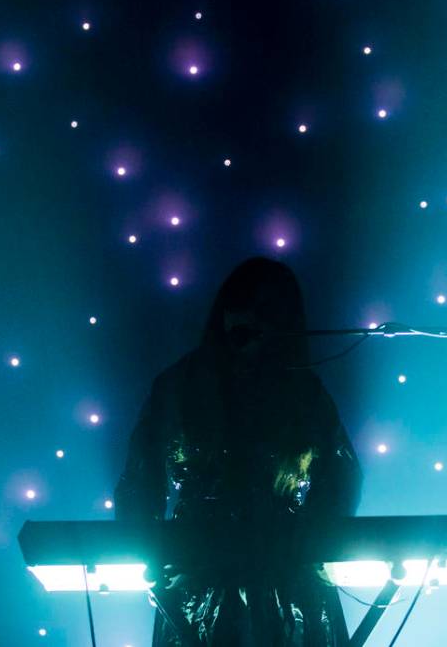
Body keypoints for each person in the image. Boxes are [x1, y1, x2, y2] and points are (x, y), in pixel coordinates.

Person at [114, 256, 363, 646]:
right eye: (243, 305)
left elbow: (341, 475)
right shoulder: (182, 384)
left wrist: (316, 538)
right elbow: (140, 476)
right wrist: (146, 546)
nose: (250, 321)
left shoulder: (303, 391)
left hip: (272, 564)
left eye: (265, 310)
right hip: (212, 564)